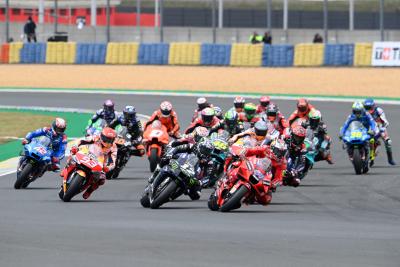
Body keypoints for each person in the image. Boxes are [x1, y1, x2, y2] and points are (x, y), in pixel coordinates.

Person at [70, 127, 117, 200]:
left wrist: (107, 167)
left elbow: (112, 161)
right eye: (107, 139)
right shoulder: (95, 138)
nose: (108, 142)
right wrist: (75, 146)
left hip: (99, 163)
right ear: (102, 136)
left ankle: (90, 190)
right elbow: (81, 140)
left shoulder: (113, 147)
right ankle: (66, 169)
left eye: (110, 140)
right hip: (87, 154)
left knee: (102, 179)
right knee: (73, 154)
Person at [363, 99, 395, 165]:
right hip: (367, 129)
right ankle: (367, 157)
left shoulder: (378, 110)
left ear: (373, 106)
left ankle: (390, 159)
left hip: (378, 128)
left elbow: (385, 122)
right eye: (366, 107)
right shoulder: (362, 112)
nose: (368, 109)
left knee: (388, 142)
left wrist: (383, 128)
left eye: (370, 107)